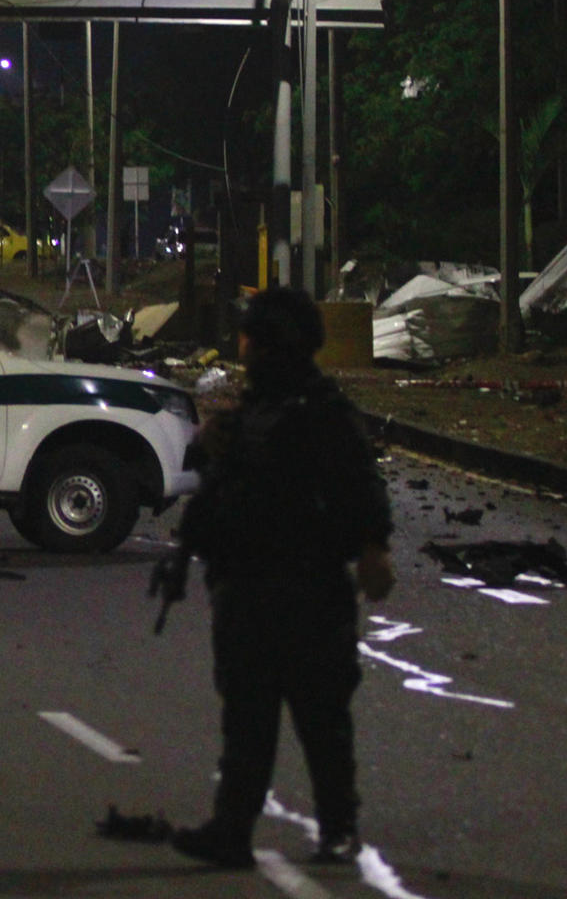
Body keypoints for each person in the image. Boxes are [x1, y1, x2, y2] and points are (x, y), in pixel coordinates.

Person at [170, 286, 395, 869]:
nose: (243, 346)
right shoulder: (252, 411)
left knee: (320, 718)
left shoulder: (320, 410)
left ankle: (339, 827)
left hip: (308, 589)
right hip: (246, 588)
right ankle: (232, 830)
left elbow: (360, 484)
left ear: (274, 343)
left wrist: (373, 550)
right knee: (246, 719)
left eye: (252, 337)